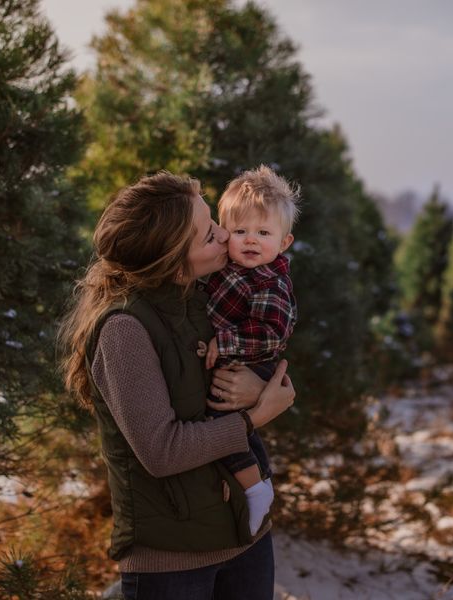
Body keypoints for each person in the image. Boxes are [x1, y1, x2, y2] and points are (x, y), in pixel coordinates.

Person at [58, 171, 295, 600]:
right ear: (173, 258)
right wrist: (255, 415)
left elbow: (266, 356)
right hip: (174, 559)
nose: (226, 236)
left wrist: (259, 389)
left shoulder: (205, 300)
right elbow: (163, 452)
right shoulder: (124, 330)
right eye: (209, 233)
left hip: (244, 534)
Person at [198, 166, 299, 537]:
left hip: (251, 364)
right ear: (225, 235)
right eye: (240, 232)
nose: (251, 240)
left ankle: (255, 488)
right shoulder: (228, 269)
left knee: (222, 425)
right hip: (231, 362)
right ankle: (255, 483)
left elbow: (273, 333)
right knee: (233, 429)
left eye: (263, 233)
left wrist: (223, 342)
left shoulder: (269, 280)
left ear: (284, 242)